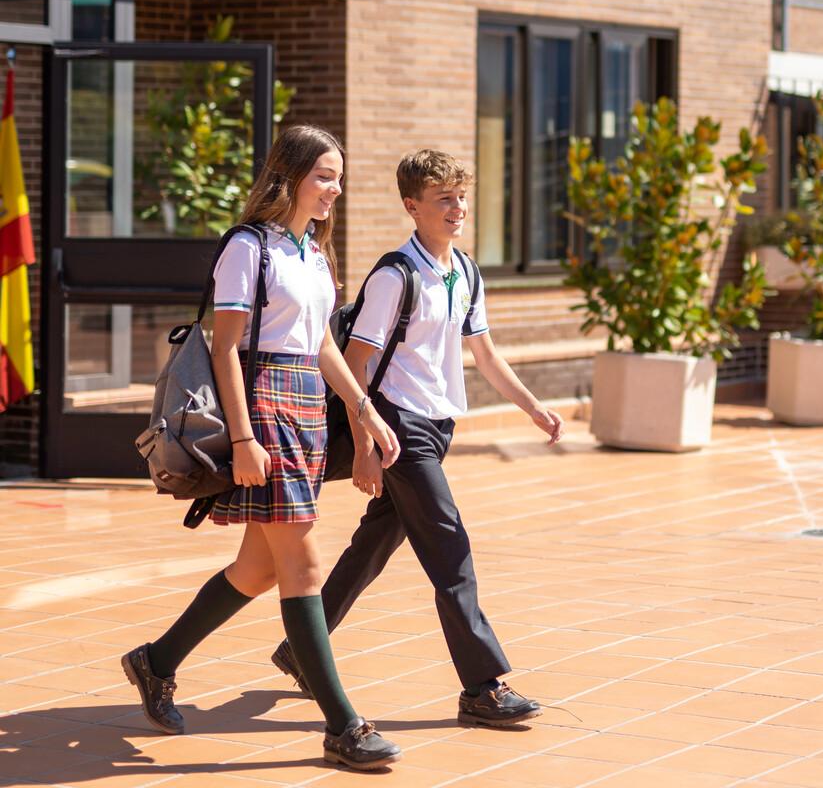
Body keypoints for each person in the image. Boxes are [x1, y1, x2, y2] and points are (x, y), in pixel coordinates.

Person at [122, 125, 403, 772]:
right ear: (292, 175)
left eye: (339, 177)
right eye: (324, 176)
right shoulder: (249, 249)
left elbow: (326, 347)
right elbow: (223, 347)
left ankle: (155, 661)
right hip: (266, 405)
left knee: (260, 569)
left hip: (306, 403)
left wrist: (363, 412)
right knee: (300, 564)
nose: (335, 188)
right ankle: (344, 726)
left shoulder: (314, 251)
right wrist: (244, 438)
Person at [272, 149, 565, 727]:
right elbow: (354, 364)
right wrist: (364, 448)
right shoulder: (394, 275)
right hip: (396, 427)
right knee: (450, 549)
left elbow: (483, 352)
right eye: (443, 200)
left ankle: (301, 650)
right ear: (413, 206)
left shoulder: (465, 271)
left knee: (375, 545)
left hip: (438, 424)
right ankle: (482, 686)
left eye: (461, 197)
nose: (458, 209)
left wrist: (532, 407)